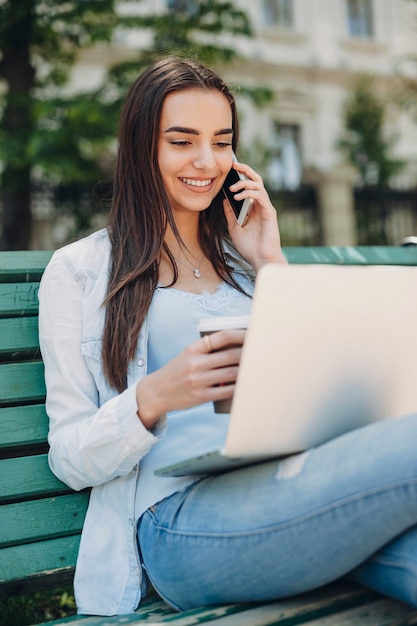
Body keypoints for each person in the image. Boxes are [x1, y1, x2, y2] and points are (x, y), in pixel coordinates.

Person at [38, 55, 417, 617]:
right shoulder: (81, 272)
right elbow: (69, 457)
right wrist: (154, 397)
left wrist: (270, 263)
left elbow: (318, 394)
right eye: (182, 140)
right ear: (142, 148)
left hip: (292, 491)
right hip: (181, 525)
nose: (206, 161)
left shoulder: (245, 268)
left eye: (222, 141)